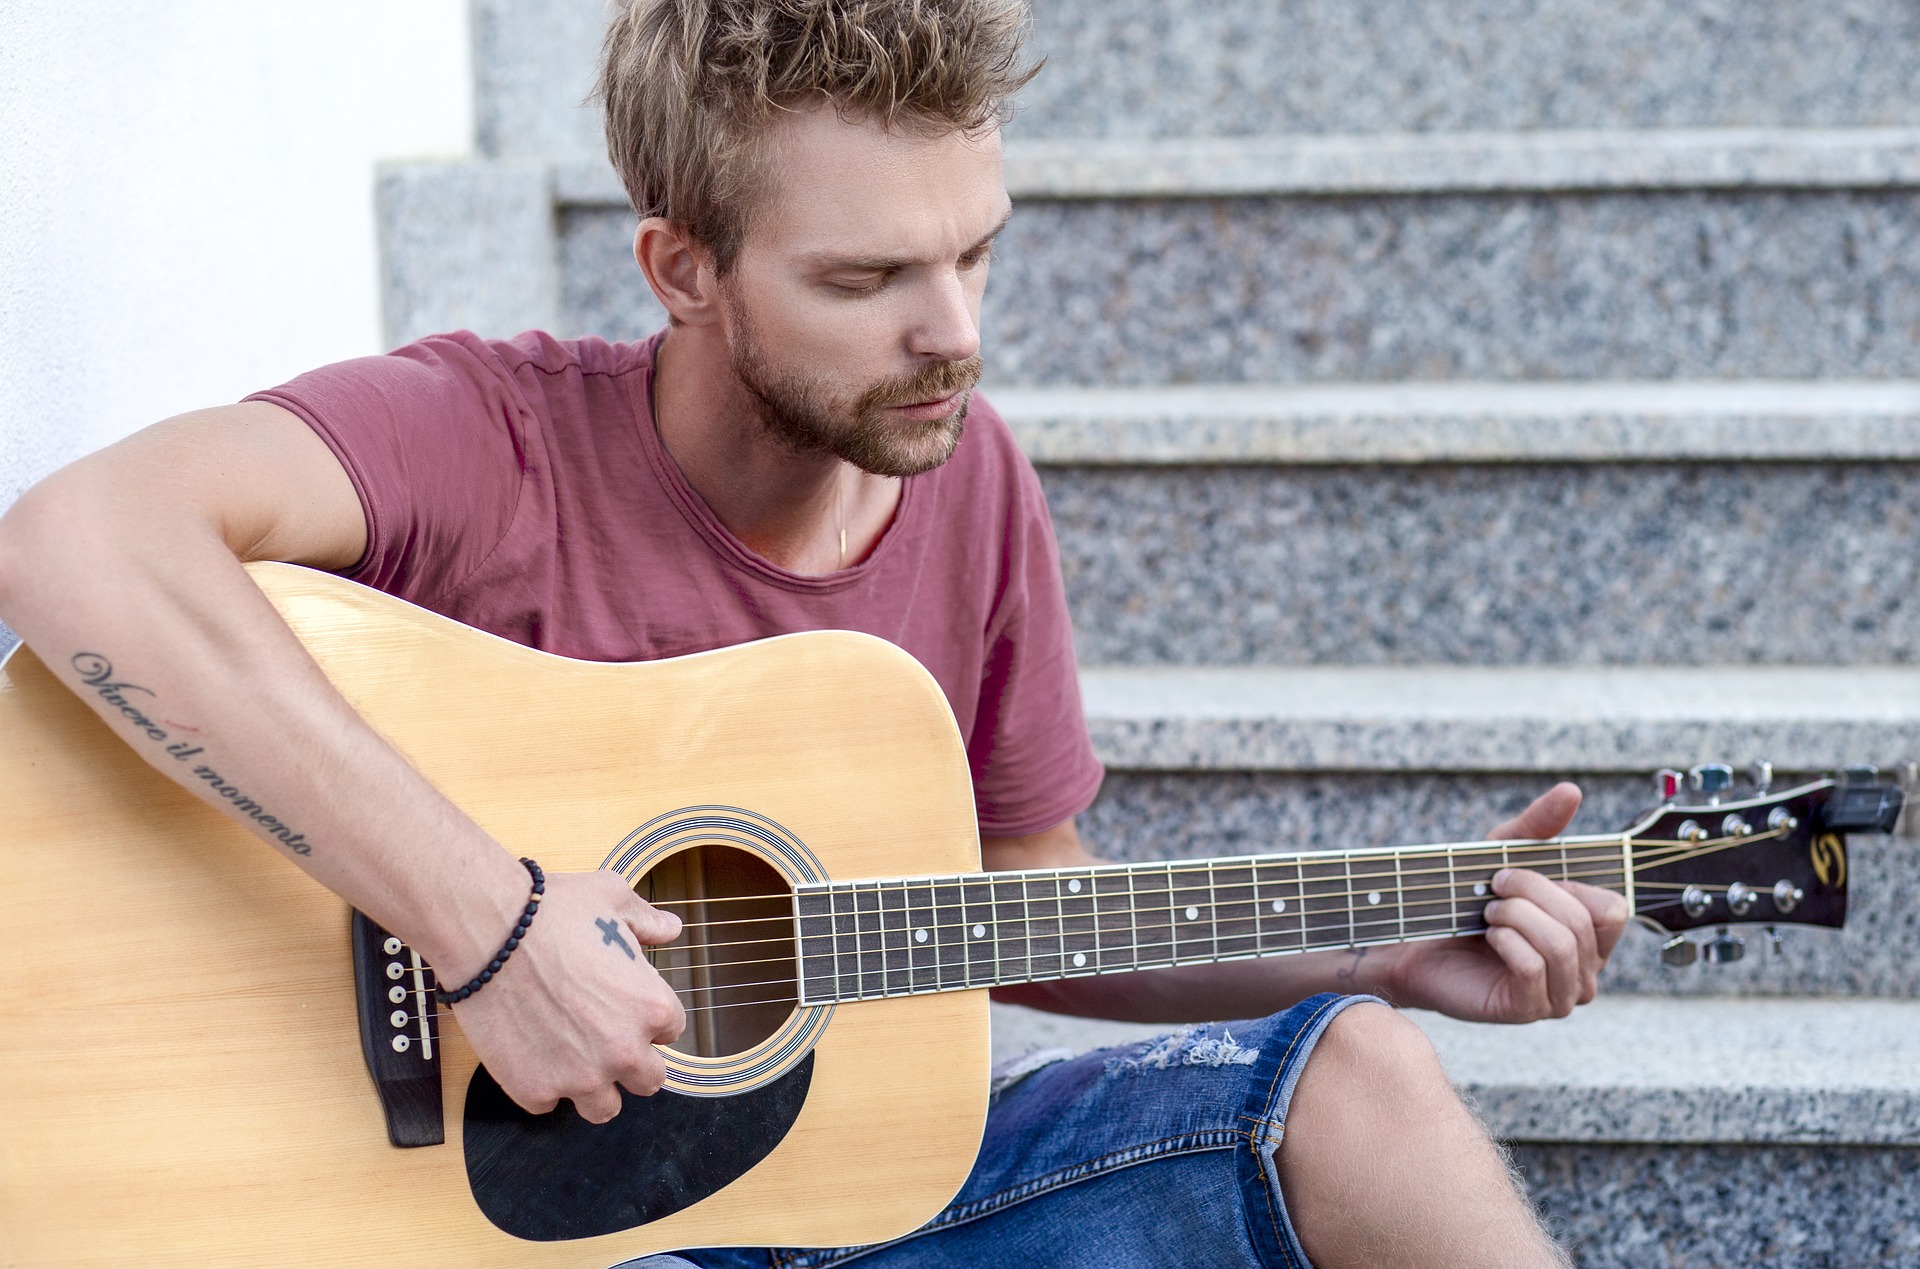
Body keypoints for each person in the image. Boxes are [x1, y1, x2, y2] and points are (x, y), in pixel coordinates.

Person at [0, 1, 1625, 1265]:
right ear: (681, 265)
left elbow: (1016, 901)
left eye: (976, 248)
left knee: (1355, 1077)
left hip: (849, 1213)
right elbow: (81, 541)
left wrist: (1375, 947)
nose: (957, 335)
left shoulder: (967, 474)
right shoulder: (483, 441)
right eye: (869, 278)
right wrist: (488, 927)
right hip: (479, 1229)